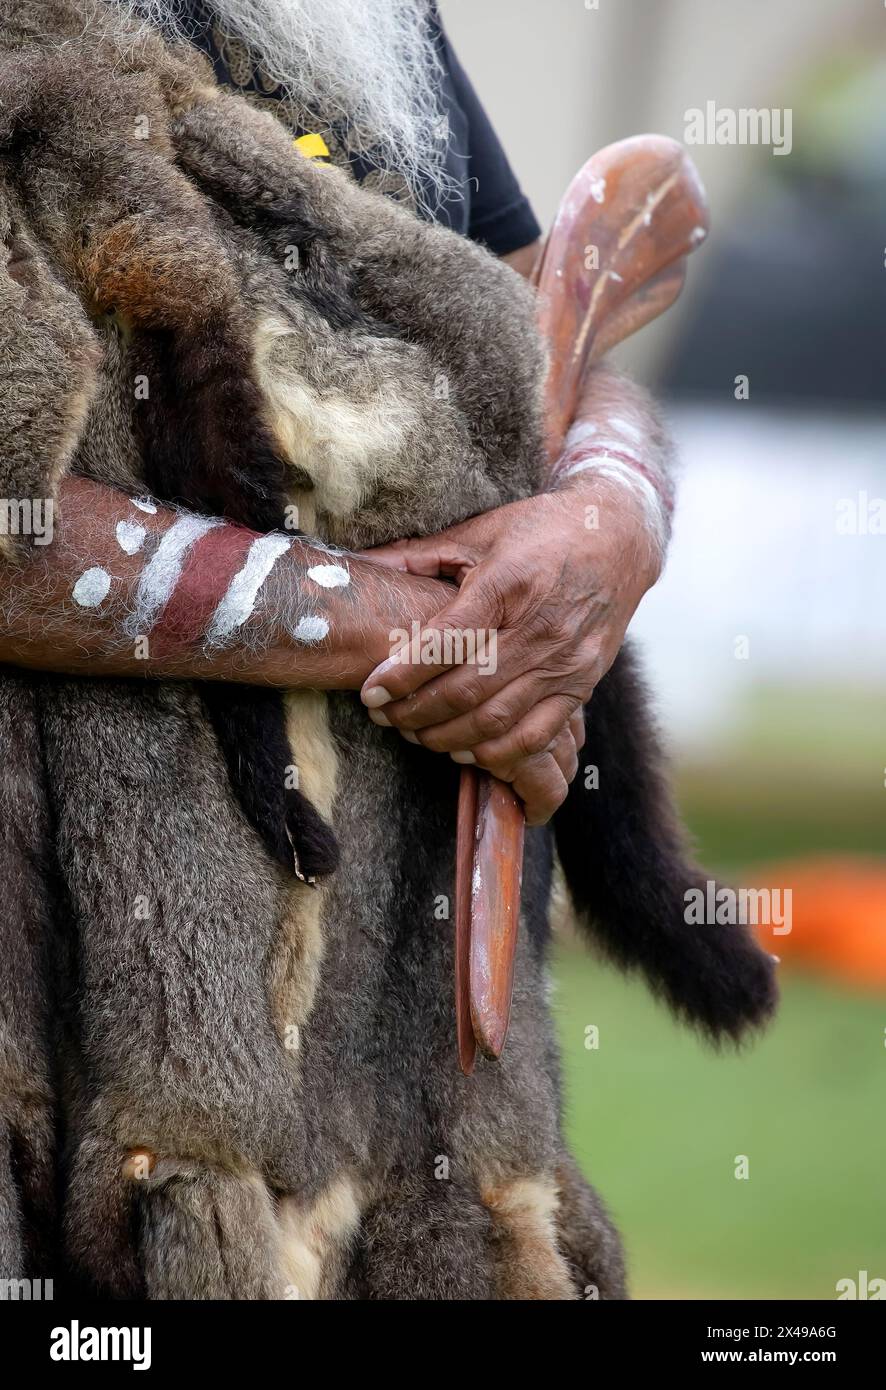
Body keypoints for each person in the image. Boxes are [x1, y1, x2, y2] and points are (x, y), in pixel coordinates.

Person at [0, 0, 674, 824]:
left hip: (435, 852)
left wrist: (615, 509)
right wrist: (430, 632)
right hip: (93, 842)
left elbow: (552, 330)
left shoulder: (387, 15)